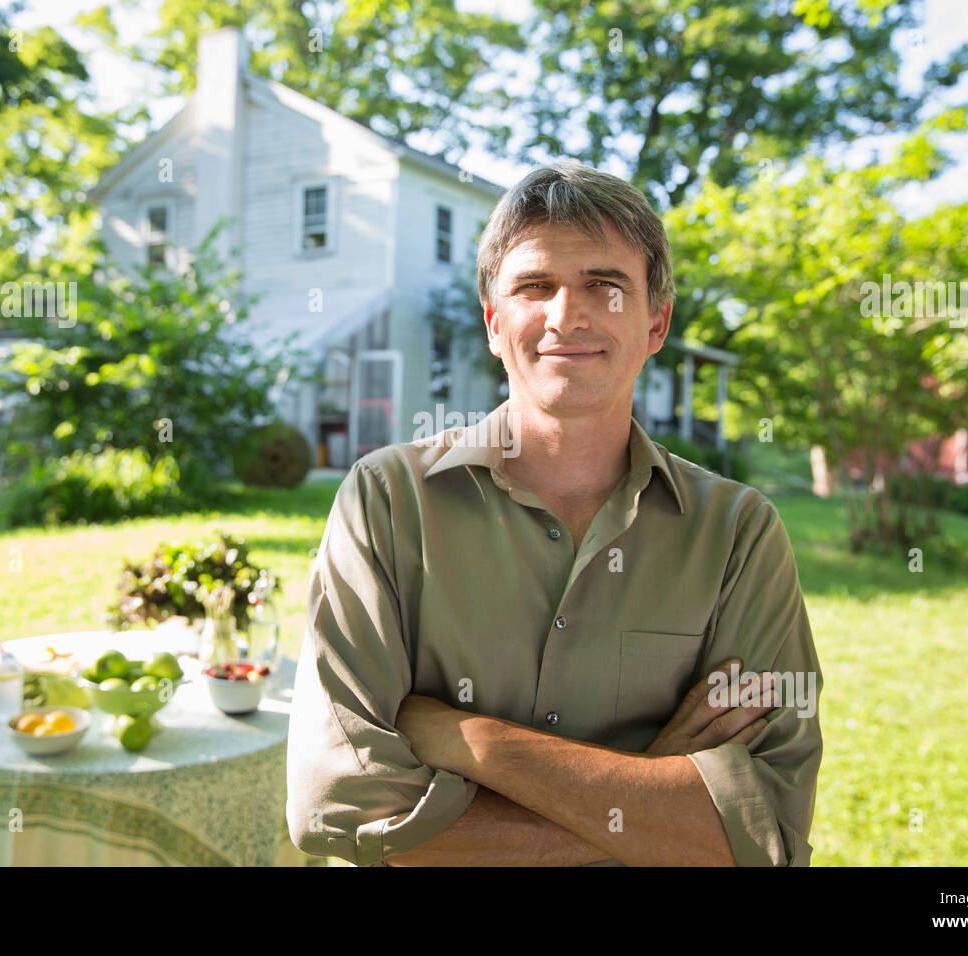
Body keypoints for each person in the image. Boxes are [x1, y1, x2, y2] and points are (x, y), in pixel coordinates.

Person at [285, 160, 823, 866]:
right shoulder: (387, 500)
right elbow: (338, 806)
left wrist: (464, 739)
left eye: (606, 286)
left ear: (657, 322)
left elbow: (765, 833)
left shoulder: (738, 535)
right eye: (535, 286)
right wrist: (648, 797)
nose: (567, 316)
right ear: (493, 322)